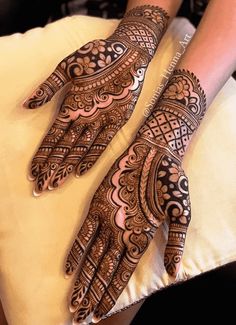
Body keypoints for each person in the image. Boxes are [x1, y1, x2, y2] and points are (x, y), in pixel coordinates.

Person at [9, 0, 236, 324]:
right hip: (111, 11)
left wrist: (172, 126)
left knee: (74, 295)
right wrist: (136, 37)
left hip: (220, 57)